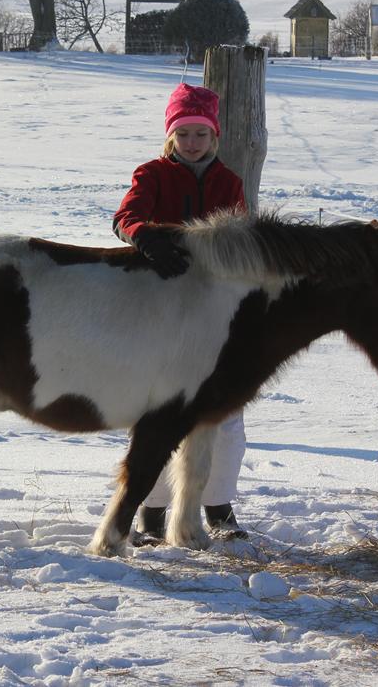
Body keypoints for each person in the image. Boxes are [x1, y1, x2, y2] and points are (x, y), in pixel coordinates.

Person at [111, 83, 249, 543]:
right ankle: (152, 513)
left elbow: (241, 236)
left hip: (214, 313)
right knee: (158, 413)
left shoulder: (228, 182)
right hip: (159, 309)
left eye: (200, 134)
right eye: (183, 134)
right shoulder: (151, 173)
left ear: (215, 138)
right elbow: (126, 215)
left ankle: (217, 506)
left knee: (224, 415)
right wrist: (143, 235)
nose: (192, 143)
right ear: (171, 136)